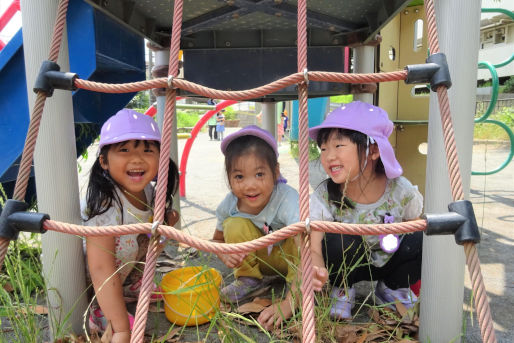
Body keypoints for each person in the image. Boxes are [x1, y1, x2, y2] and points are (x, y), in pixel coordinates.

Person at [308, 101, 423, 320]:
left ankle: (391, 289)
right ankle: (341, 290)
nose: (329, 156)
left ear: (374, 150)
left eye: (339, 146)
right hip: (350, 264)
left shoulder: (400, 190)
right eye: (323, 149)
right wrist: (317, 268)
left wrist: (414, 277)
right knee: (336, 238)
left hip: (389, 260)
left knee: (422, 236)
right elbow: (314, 245)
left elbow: (416, 233)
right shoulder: (326, 195)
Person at [83, 109, 179, 342]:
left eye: (147, 150)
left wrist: (168, 221)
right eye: (124, 150)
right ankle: (101, 311)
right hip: (93, 278)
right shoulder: (106, 204)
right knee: (128, 240)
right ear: (104, 161)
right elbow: (100, 268)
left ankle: (130, 286)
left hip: (121, 266)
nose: (137, 159)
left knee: (157, 229)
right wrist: (121, 328)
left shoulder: (148, 190)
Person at [211, 125, 300, 326]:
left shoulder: (287, 198)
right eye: (239, 177)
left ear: (275, 172)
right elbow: (216, 240)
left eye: (259, 174)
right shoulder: (229, 205)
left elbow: (307, 249)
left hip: (288, 260)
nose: (250, 185)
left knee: (301, 233)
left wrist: (289, 302)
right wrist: (223, 252)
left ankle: (295, 287)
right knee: (232, 224)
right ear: (229, 178)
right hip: (261, 260)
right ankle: (250, 280)